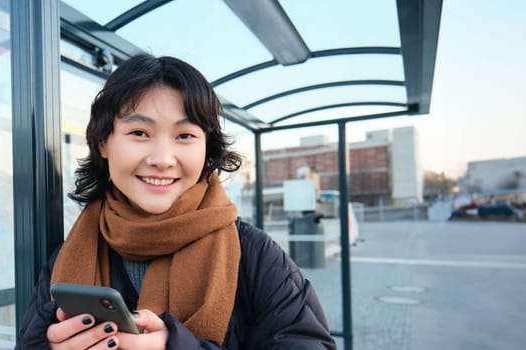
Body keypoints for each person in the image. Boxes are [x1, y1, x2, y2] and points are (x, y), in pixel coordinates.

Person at [17, 54, 335, 349]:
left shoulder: (254, 256)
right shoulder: (66, 255)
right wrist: (45, 343)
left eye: (184, 136)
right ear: (103, 142)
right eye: (140, 132)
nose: (163, 159)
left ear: (207, 150)